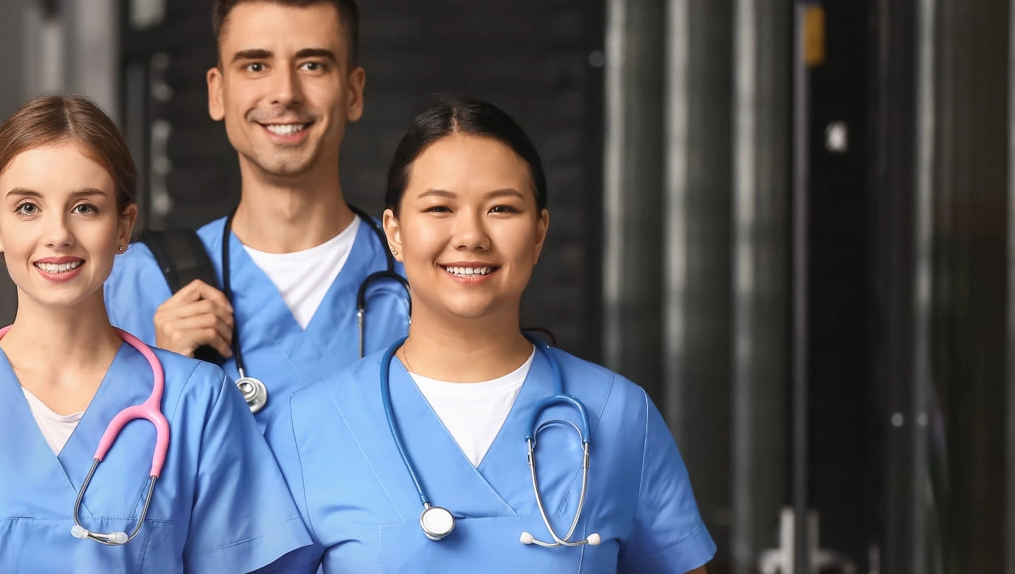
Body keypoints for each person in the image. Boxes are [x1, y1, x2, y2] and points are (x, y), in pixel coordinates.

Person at [0, 95, 318, 573]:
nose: (58, 234)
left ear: (123, 227)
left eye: (85, 207)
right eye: (27, 207)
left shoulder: (197, 401)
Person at [264, 98, 715, 572]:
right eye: (439, 207)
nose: (470, 235)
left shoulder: (618, 415)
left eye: (501, 208)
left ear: (540, 232)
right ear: (394, 232)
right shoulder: (307, 425)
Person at [104, 0, 408, 426]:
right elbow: (100, 481)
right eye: (255, 66)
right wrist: (165, 377)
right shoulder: (138, 282)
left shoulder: (421, 275)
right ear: (217, 92)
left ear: (354, 92)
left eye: (313, 65)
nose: (284, 92)